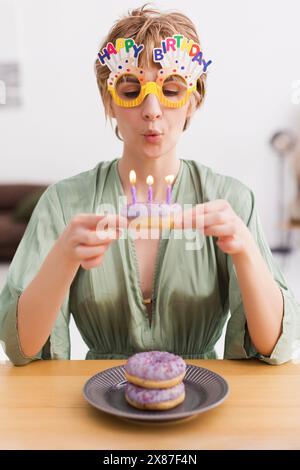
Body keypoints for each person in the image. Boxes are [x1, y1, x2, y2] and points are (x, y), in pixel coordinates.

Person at [0, 5, 299, 366]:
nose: (152, 110)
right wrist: (63, 257)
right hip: (97, 401)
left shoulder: (231, 201)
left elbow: (273, 347)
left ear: (193, 99)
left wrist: (245, 251)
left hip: (200, 399)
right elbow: (23, 349)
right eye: (131, 90)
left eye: (171, 89)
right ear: (109, 101)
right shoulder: (65, 203)